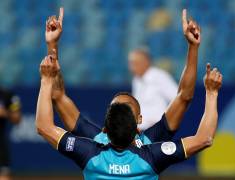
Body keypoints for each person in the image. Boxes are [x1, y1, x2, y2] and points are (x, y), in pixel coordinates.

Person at [36, 52, 222, 179]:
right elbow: (203, 135)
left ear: (105, 127)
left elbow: (47, 120)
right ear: (138, 123)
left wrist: (47, 72)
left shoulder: (89, 151)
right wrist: (211, 93)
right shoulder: (152, 154)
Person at [43, 8, 201, 146]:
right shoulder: (151, 150)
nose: (130, 66)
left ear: (107, 123)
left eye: (134, 62)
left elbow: (57, 98)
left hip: (149, 129)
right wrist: (193, 47)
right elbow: (184, 98)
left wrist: (52, 46)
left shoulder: (95, 146)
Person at [128, 47, 178, 130]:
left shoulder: (160, 77)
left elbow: (178, 99)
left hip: (157, 131)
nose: (131, 68)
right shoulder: (136, 80)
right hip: (140, 131)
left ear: (146, 62)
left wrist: (163, 122)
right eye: (131, 64)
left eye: (135, 63)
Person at [0, 88, 21, 180]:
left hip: (1, 146)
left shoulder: (7, 95)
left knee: (4, 176)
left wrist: (4, 112)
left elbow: (17, 118)